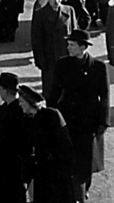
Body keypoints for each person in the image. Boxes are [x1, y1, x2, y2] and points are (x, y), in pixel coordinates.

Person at [46, 28, 109, 202]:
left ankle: (84, 188)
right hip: (66, 118)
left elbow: (104, 96)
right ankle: (70, 189)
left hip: (88, 121)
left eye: (72, 45)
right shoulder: (63, 64)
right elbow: (54, 92)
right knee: (66, 155)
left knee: (85, 158)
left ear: (83, 47)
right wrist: (50, 114)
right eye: (68, 44)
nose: (68, 48)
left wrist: (103, 122)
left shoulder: (98, 67)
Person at [17, 84, 74, 203]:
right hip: (40, 174)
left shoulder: (52, 115)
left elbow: (65, 146)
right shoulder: (25, 120)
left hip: (57, 173)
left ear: (30, 102)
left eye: (22, 101)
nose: (20, 104)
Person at [0, 73, 26, 203]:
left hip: (8, 170)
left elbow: (18, 141)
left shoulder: (18, 110)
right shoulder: (7, 106)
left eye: (0, 88)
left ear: (5, 90)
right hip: (0, 169)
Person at [31, 0, 77, 98]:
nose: (56, 1)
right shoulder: (40, 15)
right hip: (50, 60)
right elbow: (36, 40)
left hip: (67, 57)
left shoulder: (69, 11)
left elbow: (75, 35)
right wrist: (40, 60)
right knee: (51, 92)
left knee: (68, 92)